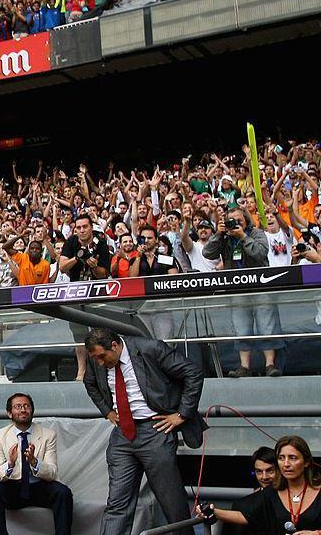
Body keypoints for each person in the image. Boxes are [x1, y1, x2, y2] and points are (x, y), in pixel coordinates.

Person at [82, 327, 208, 535]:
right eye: (96, 359)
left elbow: (192, 372)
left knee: (171, 503)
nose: (101, 363)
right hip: (123, 434)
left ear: (114, 345)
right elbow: (90, 383)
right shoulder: (98, 360)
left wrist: (182, 414)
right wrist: (107, 411)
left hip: (156, 429)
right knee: (117, 503)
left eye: (103, 357)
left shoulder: (150, 348)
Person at [203, 207, 281, 378]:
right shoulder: (224, 238)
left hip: (260, 287)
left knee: (266, 326)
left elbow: (260, 254)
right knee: (241, 328)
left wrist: (243, 237)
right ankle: (244, 367)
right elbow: (207, 253)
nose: (235, 224)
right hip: (237, 289)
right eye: (232, 221)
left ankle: (270, 365)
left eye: (239, 220)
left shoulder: (256, 233)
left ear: (246, 220)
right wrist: (218, 234)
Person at [0, 393, 73, 535]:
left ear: (32, 411)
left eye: (26, 406)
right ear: (9, 413)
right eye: (17, 407)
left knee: (63, 492)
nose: (23, 410)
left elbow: (52, 472)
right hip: (12, 487)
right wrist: (10, 464)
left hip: (39, 487)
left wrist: (34, 461)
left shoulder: (48, 435)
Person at [197, 436, 321, 534]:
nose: (286, 464)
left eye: (292, 458)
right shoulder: (271, 492)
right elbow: (247, 516)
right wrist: (212, 511)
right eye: (281, 458)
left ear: (306, 462)